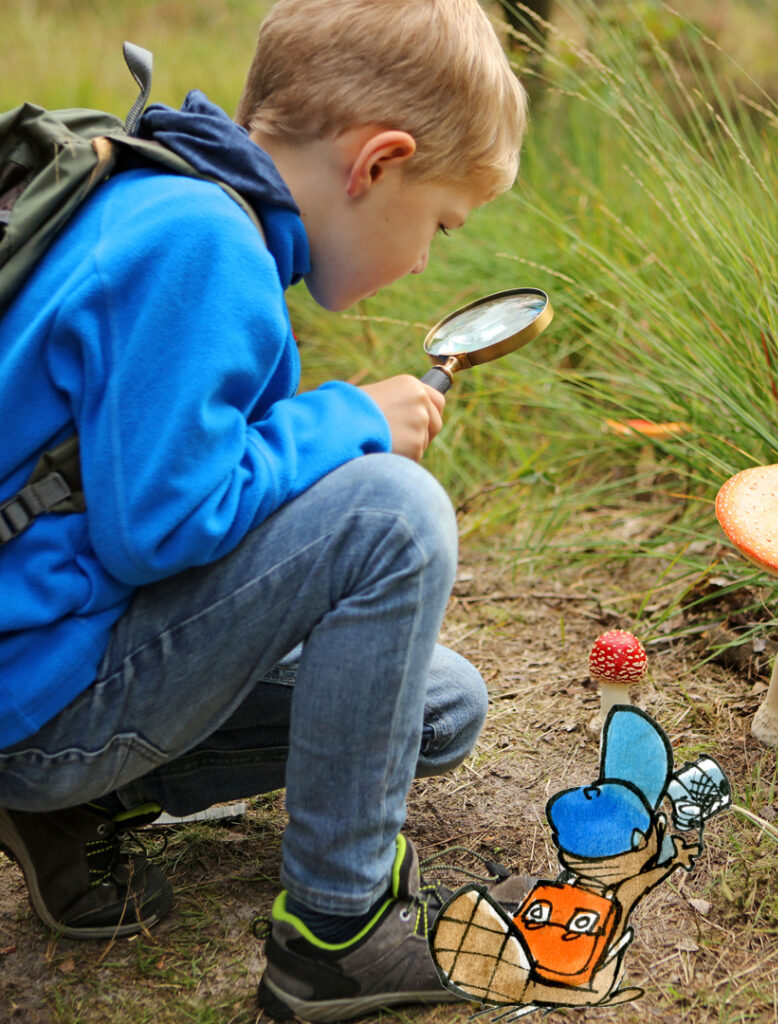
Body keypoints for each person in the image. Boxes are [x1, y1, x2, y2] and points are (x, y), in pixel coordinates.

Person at [0, 0, 528, 1019]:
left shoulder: (155, 188)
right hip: (35, 698)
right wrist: (347, 419)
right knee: (391, 513)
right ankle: (342, 931)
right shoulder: (204, 248)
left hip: (45, 647)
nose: (424, 261)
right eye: (439, 224)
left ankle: (72, 813)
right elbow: (161, 526)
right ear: (376, 164)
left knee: (438, 708)